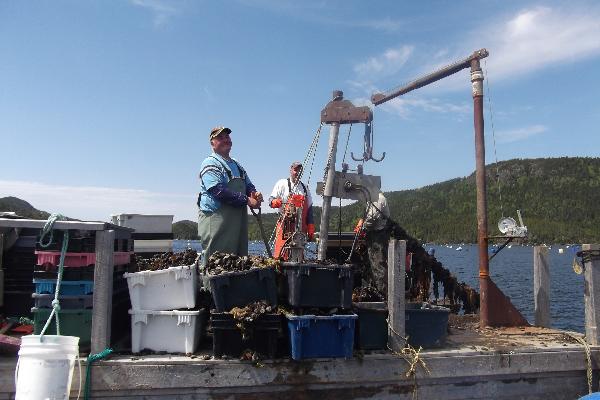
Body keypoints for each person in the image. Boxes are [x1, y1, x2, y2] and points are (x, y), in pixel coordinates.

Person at [197, 126, 263, 266]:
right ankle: (209, 288)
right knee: (215, 262)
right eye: (220, 137)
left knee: (238, 262)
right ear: (212, 143)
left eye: (227, 137)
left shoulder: (237, 165)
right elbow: (218, 190)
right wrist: (247, 200)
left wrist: (255, 195)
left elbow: (248, 185)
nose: (225, 139)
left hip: (237, 225)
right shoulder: (210, 163)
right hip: (216, 224)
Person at [355, 191, 392, 296]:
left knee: (378, 265)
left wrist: (362, 226)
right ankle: (374, 291)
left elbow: (372, 217)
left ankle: (382, 294)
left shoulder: (378, 199)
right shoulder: (372, 201)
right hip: (374, 236)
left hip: (379, 236)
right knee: (373, 265)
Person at [269, 161, 315, 240]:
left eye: (300, 171)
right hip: (284, 229)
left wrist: (310, 225)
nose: (297, 172)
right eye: (295, 170)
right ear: (291, 170)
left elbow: (309, 209)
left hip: (301, 231)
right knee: (281, 251)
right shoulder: (282, 183)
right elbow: (270, 200)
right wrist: (274, 202)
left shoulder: (305, 188)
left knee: (299, 251)